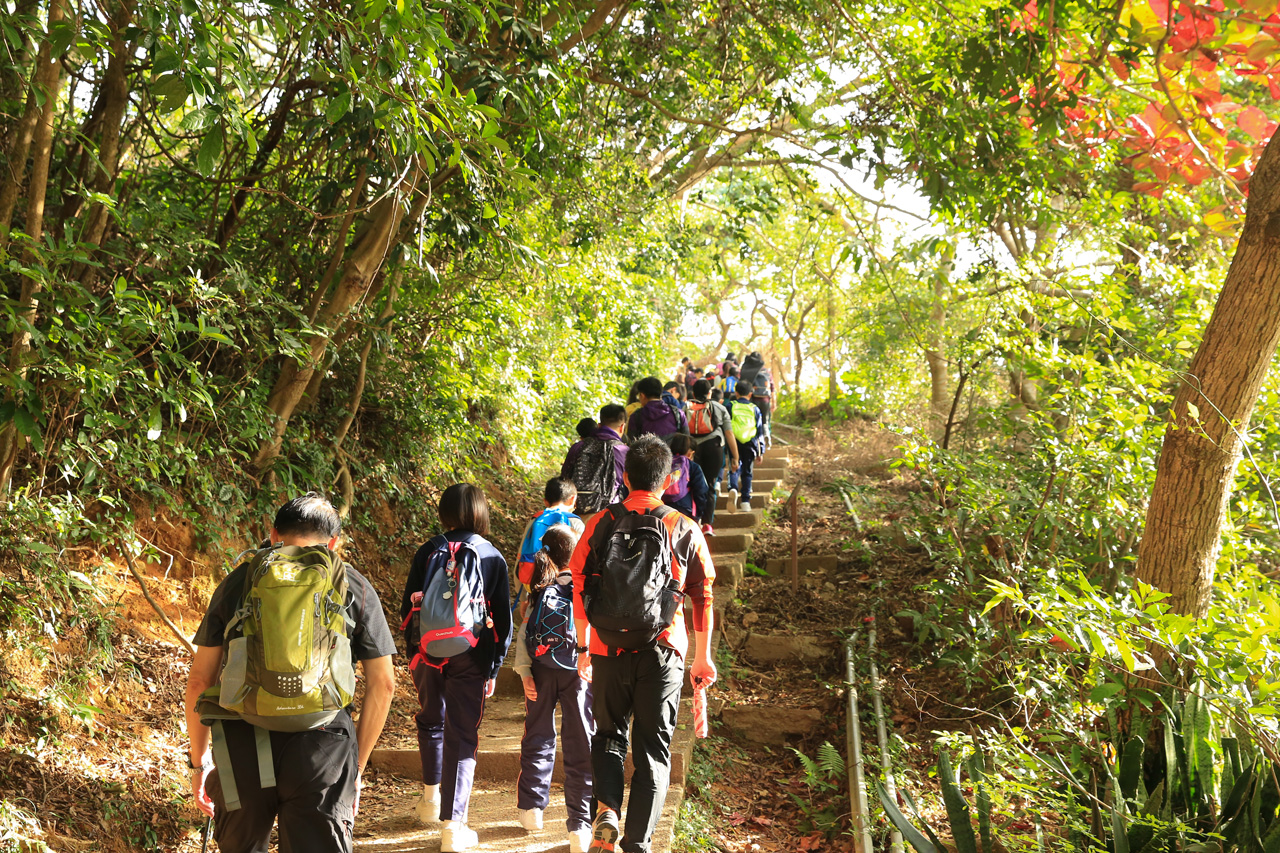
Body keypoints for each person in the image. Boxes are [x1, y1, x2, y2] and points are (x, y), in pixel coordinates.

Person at [184, 493, 397, 853]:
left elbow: (200, 681)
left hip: (241, 741)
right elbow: (384, 684)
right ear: (334, 543)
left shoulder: (239, 582)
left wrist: (198, 762)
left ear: (272, 534)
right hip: (323, 744)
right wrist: (355, 768)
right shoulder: (353, 585)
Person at [571, 436, 717, 853]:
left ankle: (608, 810)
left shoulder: (598, 522)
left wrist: (584, 646)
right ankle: (638, 843)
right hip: (663, 648)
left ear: (624, 475)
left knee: (608, 735)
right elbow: (702, 593)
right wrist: (702, 657)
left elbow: (579, 584)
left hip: (606, 647)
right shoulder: (683, 525)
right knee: (653, 750)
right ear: (669, 480)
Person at [400, 484, 513, 852]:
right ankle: (454, 825)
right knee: (462, 733)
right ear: (481, 513)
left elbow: (408, 608)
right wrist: (493, 667)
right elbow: (502, 619)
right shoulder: (491, 555)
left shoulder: (428, 549)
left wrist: (413, 653)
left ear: (443, 513)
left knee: (431, 718)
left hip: (427, 651)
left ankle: (431, 797)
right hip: (471, 652)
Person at [512, 525, 594, 853]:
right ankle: (579, 825)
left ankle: (531, 809)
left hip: (542, 672)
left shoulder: (539, 589)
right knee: (581, 744)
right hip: (578, 673)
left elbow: (523, 634)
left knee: (538, 737)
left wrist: (524, 673)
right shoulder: (584, 588)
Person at [514, 478, 585, 617]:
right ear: (572, 499)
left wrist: (523, 598)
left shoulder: (536, 520)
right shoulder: (576, 523)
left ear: (545, 501)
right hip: (566, 594)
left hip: (536, 589)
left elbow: (521, 558)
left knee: (532, 630)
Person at [687, 379, 737, 532]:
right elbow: (729, 433)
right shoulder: (719, 407)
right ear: (710, 393)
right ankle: (707, 524)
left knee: (690, 485)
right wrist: (735, 456)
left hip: (691, 449)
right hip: (714, 447)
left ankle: (693, 521)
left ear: (693, 393)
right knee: (710, 484)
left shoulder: (685, 407)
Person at [562, 405, 629, 515]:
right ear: (622, 427)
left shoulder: (579, 447)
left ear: (599, 425)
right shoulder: (624, 452)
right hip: (609, 516)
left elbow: (564, 477)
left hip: (575, 513)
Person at [726, 383, 765, 512]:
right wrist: (760, 451)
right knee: (747, 472)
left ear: (736, 393)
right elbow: (759, 432)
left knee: (734, 465)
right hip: (751, 443)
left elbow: (726, 427)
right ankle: (745, 502)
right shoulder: (755, 409)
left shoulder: (730, 405)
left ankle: (732, 487)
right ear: (750, 394)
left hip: (734, 441)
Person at [664, 434, 711, 525]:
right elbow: (701, 491)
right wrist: (698, 513)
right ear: (691, 454)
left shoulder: (664, 464)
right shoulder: (693, 467)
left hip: (663, 507)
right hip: (685, 509)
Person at [626, 376, 688, 443]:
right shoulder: (678, 414)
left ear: (642, 395)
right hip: (672, 453)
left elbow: (631, 444)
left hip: (645, 453)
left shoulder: (636, 417)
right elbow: (687, 442)